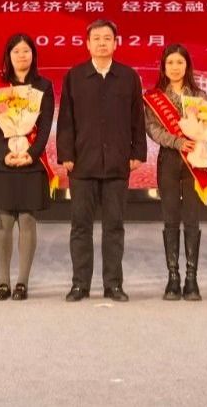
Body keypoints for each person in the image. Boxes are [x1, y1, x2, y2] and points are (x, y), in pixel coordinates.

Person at [57, 19, 146, 303]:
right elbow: (66, 119)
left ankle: (113, 285)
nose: (102, 43)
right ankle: (80, 284)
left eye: (107, 38)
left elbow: (137, 118)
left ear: (115, 43)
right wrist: (66, 154)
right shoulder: (75, 76)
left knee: (114, 227)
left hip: (117, 163)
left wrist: (138, 152)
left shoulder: (128, 76)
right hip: (82, 164)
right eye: (96, 38)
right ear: (87, 44)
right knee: (80, 227)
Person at [0, 34, 55, 301]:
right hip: (3, 162)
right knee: (3, 221)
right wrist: (4, 154)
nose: (22, 56)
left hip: (30, 162)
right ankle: (3, 282)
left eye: (26, 51)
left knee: (27, 219)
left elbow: (45, 126)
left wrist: (31, 154)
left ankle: (22, 283)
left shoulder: (43, 86)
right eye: (16, 52)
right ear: (9, 56)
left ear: (33, 55)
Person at [142, 44, 207, 301]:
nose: (175, 67)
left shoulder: (201, 95)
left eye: (180, 62)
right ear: (163, 67)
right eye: (170, 63)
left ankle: (192, 279)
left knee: (192, 219)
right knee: (170, 218)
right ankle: (173, 278)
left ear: (187, 66)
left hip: (194, 161)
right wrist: (178, 142)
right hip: (169, 159)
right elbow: (153, 129)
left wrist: (202, 139)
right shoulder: (155, 97)